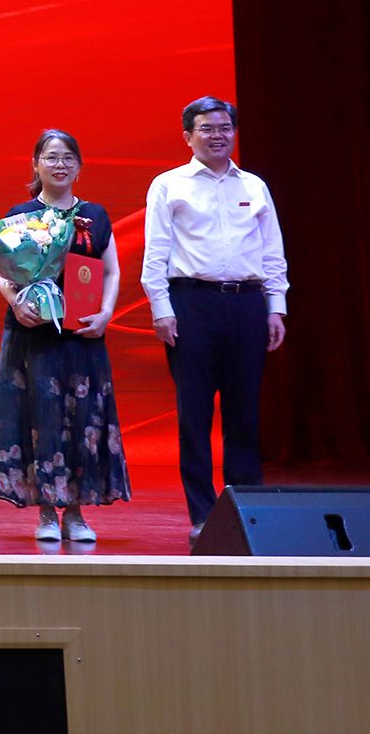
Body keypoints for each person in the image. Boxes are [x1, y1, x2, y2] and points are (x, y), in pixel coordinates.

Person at [142, 96, 290, 541]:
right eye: (206, 128)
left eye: (225, 127)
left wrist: (275, 306)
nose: (218, 135)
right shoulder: (169, 185)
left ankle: (247, 511)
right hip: (192, 303)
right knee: (195, 413)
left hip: (246, 303)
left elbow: (272, 252)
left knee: (244, 411)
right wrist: (161, 308)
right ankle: (203, 514)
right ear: (188, 136)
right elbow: (156, 252)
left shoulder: (254, 186)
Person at [0, 130, 130, 542]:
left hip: (82, 334)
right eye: (51, 157)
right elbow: (3, 272)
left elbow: (112, 270)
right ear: (36, 164)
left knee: (83, 420)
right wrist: (16, 302)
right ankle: (47, 513)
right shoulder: (21, 214)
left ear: (79, 166)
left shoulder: (95, 215)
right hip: (33, 334)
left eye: (68, 157)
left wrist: (106, 313)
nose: (60, 165)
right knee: (41, 418)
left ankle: (77, 514)